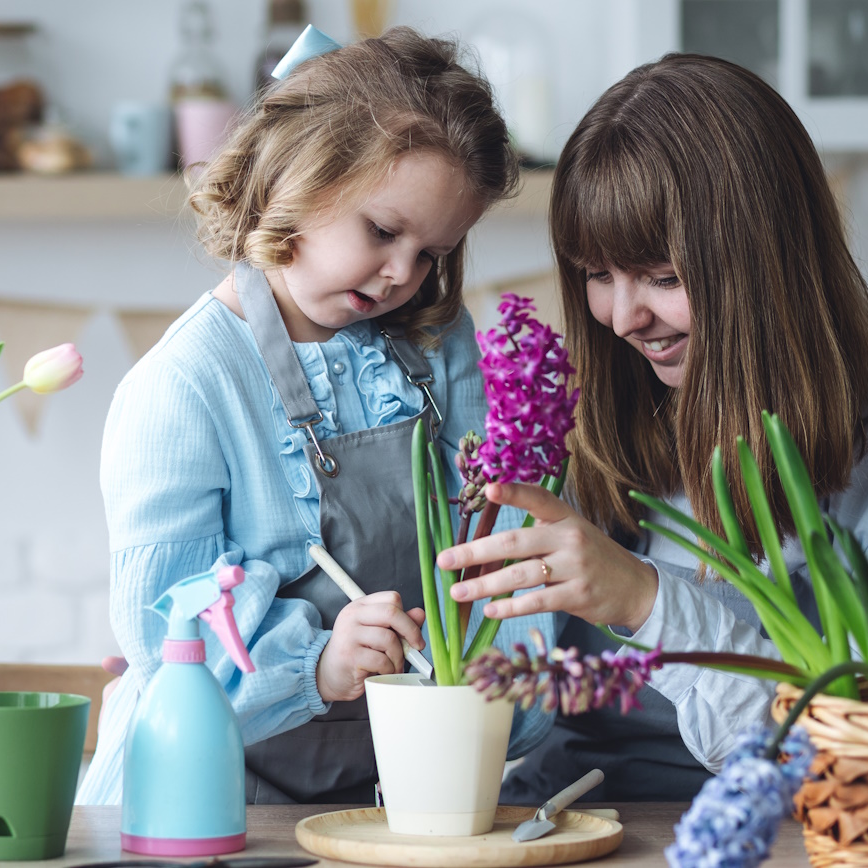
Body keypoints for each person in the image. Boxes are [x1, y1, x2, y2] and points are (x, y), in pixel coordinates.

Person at [441, 53, 868, 802]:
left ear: (763, 263)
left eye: (663, 278)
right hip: (561, 814)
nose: (624, 319)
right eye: (598, 274)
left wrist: (646, 600)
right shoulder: (608, 400)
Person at [76, 27, 556, 806]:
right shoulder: (183, 388)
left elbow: (497, 553)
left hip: (383, 794)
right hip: (205, 798)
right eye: (383, 231)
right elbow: (174, 658)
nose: (405, 272)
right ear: (297, 180)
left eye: (434, 251)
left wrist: (506, 685)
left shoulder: (437, 342)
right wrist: (319, 666)